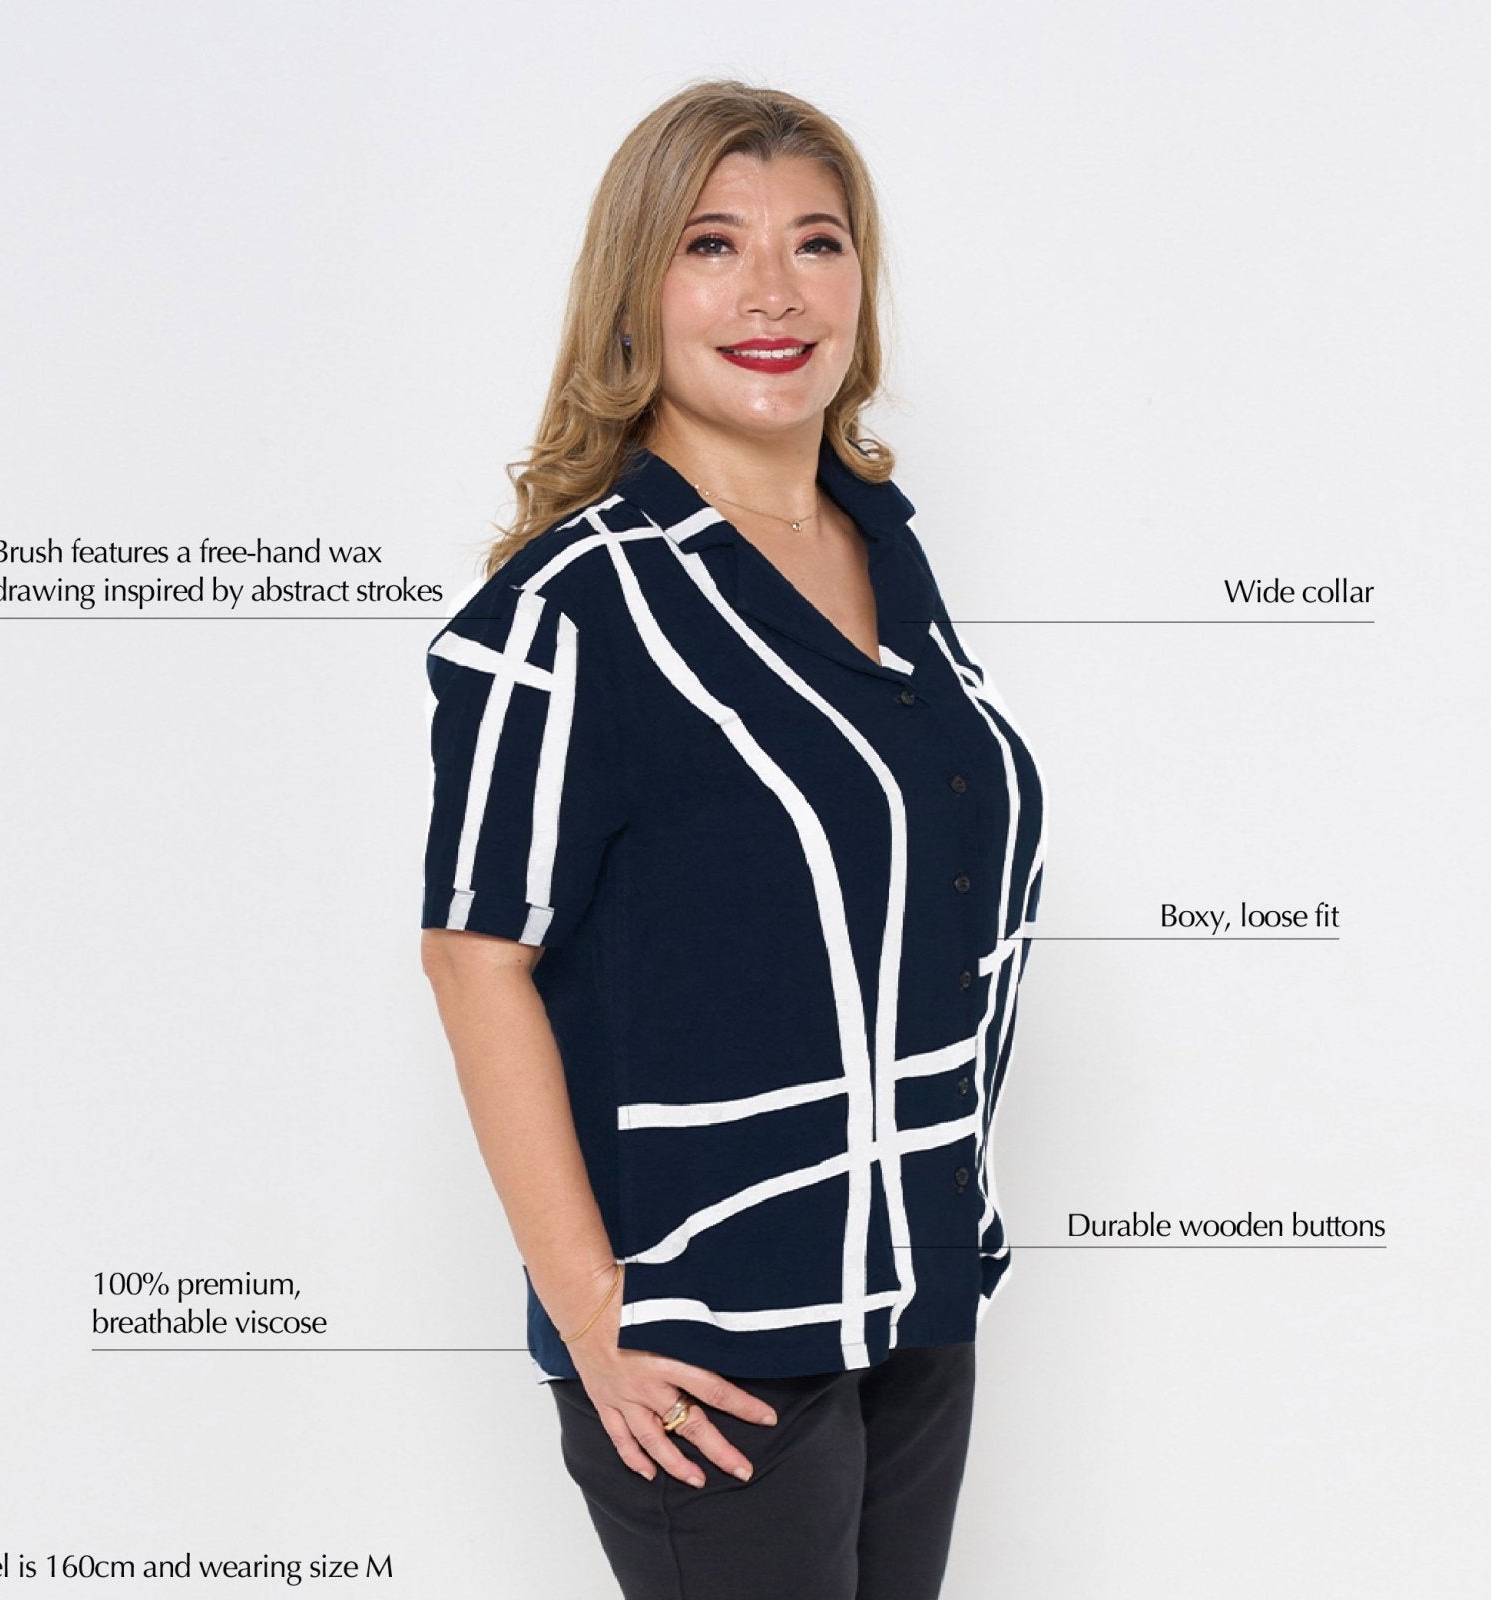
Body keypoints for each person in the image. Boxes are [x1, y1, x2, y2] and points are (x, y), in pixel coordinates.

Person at [419, 78, 1044, 1600]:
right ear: (638, 294)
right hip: (706, 1351)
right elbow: (472, 954)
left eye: (817, 244)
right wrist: (595, 1316)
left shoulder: (883, 551)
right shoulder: (570, 609)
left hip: (910, 1288)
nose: (774, 291)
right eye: (713, 245)